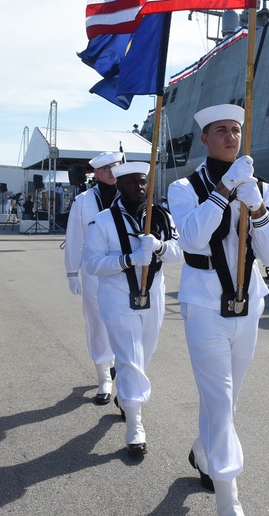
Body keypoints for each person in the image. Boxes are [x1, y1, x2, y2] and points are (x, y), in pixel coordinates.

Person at [167, 104, 269, 516]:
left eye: (235, 130)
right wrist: (222, 191)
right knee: (219, 397)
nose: (231, 137)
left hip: (249, 302)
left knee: (229, 398)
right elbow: (194, 239)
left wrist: (257, 209)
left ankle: (204, 450)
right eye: (221, 131)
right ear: (205, 138)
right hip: (204, 304)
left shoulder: (262, 188)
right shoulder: (183, 187)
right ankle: (228, 499)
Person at [82, 161, 181, 458]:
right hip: (118, 298)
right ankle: (135, 425)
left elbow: (181, 253)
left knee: (144, 354)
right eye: (134, 183)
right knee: (129, 359)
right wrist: (127, 259)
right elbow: (91, 264)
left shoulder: (162, 217)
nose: (141, 188)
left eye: (144, 182)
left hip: (153, 297)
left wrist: (160, 247)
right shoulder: (102, 221)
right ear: (120, 185)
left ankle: (126, 396)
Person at [64, 152, 121, 404]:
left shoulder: (129, 194)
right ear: (96, 173)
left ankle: (122, 367)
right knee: (97, 323)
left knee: (124, 322)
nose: (111, 172)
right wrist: (71, 272)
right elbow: (74, 237)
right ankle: (103, 377)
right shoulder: (83, 201)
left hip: (123, 269)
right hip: (93, 270)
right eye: (106, 168)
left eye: (115, 167)